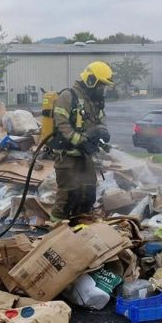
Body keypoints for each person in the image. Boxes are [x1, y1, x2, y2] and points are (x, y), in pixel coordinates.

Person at [49, 61, 113, 222]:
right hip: (67, 154)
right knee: (68, 195)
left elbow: (100, 120)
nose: (102, 90)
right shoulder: (68, 96)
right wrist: (81, 141)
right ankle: (55, 228)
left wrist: (103, 132)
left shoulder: (94, 101)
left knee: (88, 193)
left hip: (84, 155)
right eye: (101, 86)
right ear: (91, 80)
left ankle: (80, 227)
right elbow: (62, 124)